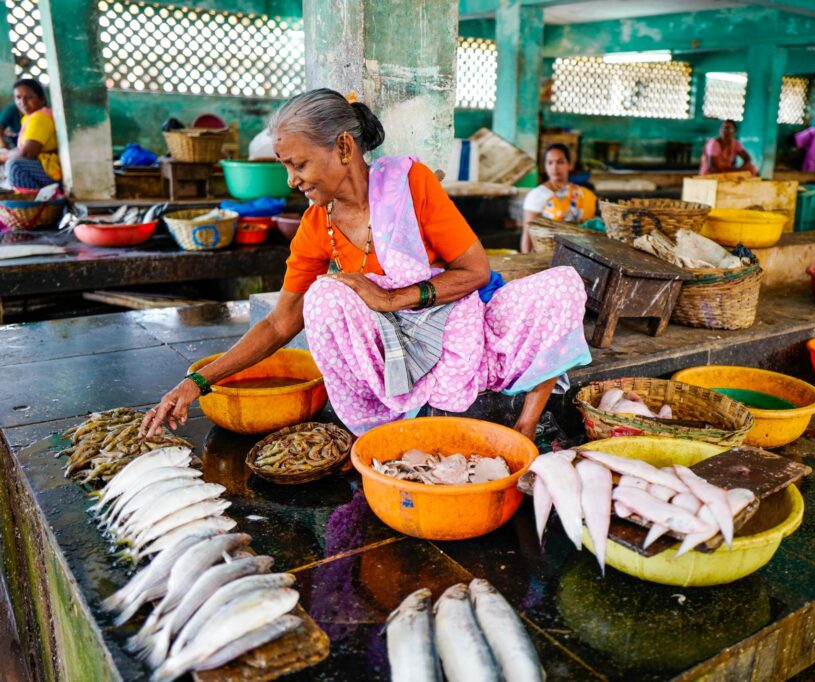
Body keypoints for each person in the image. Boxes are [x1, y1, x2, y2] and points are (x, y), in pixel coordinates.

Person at [143, 89, 591, 440]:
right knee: (324, 297)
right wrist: (198, 382)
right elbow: (281, 324)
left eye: (298, 164)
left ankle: (526, 426)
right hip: (390, 351)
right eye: (285, 166)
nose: (291, 180)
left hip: (457, 330)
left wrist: (394, 297)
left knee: (563, 286)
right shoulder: (318, 225)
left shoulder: (409, 183)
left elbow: (473, 272)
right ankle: (382, 426)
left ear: (342, 147)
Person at [520, 143, 597, 253]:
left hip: (583, 253)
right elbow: (528, 233)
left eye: (560, 162)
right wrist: (527, 259)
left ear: (570, 165)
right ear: (545, 166)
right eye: (550, 162)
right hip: (548, 255)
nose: (554, 167)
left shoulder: (584, 194)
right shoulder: (537, 195)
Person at [0, 78, 61, 190]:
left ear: (41, 100)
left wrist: (4, 157)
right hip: (44, 169)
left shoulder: (40, 117)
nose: (22, 102)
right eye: (18, 97)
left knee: (15, 165)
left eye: (29, 97)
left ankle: (35, 202)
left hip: (51, 171)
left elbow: (28, 153)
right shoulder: (29, 117)